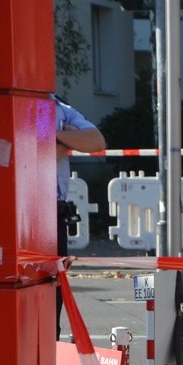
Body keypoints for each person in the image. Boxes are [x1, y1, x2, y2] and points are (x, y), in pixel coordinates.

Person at [55, 96, 105, 339]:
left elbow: (96, 140)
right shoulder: (20, 104)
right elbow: (32, 153)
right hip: (20, 211)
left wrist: (58, 140)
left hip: (55, 213)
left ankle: (49, 350)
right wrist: (67, 139)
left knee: (54, 289)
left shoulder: (59, 107)